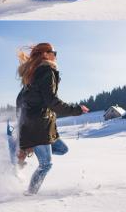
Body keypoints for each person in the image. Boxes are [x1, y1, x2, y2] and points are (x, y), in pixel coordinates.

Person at [15, 43, 89, 196]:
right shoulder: (46, 70)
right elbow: (52, 101)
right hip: (39, 126)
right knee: (46, 164)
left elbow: (20, 100)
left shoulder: (34, 72)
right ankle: (30, 194)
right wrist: (77, 110)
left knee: (62, 149)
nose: (56, 55)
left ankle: (29, 149)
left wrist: (23, 122)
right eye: (54, 52)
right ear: (45, 54)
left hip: (40, 125)